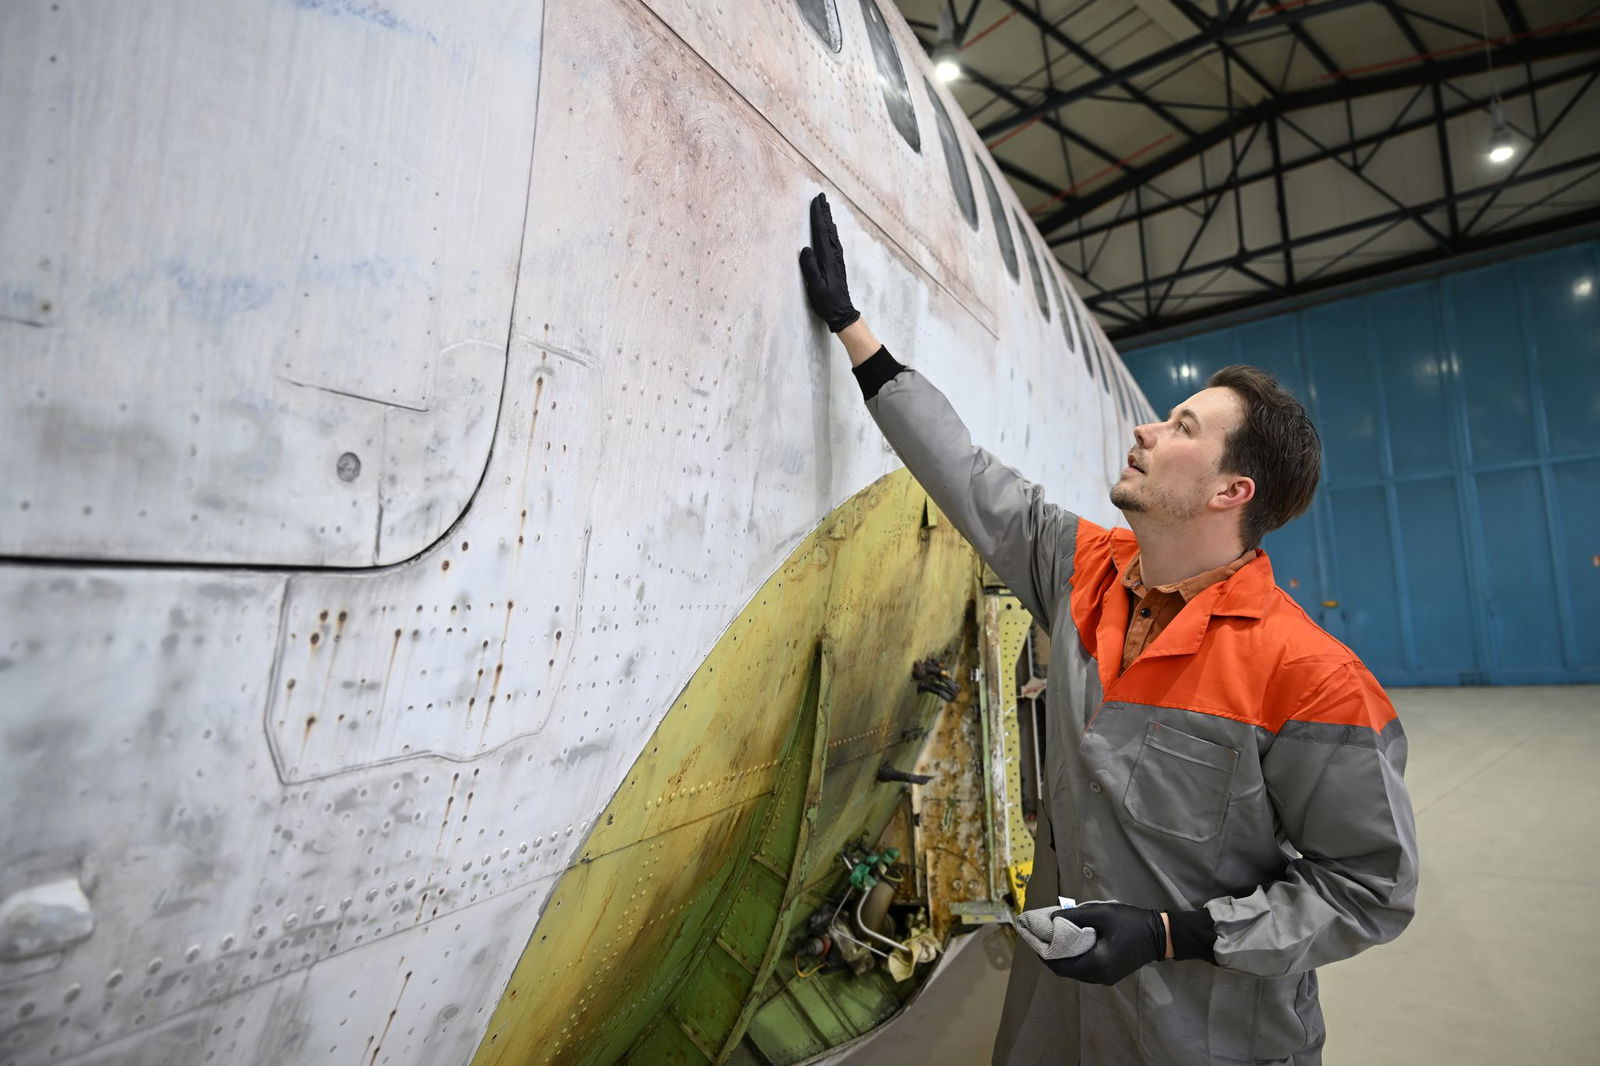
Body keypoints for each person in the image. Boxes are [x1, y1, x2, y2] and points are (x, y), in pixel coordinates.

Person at [799, 193, 1417, 1066]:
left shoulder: (1311, 678)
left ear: (1229, 492)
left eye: (1181, 428)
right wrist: (857, 333)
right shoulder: (1081, 570)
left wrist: (1175, 934)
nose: (1145, 428)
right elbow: (968, 475)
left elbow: (1368, 890)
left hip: (1209, 1038)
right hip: (1058, 1018)